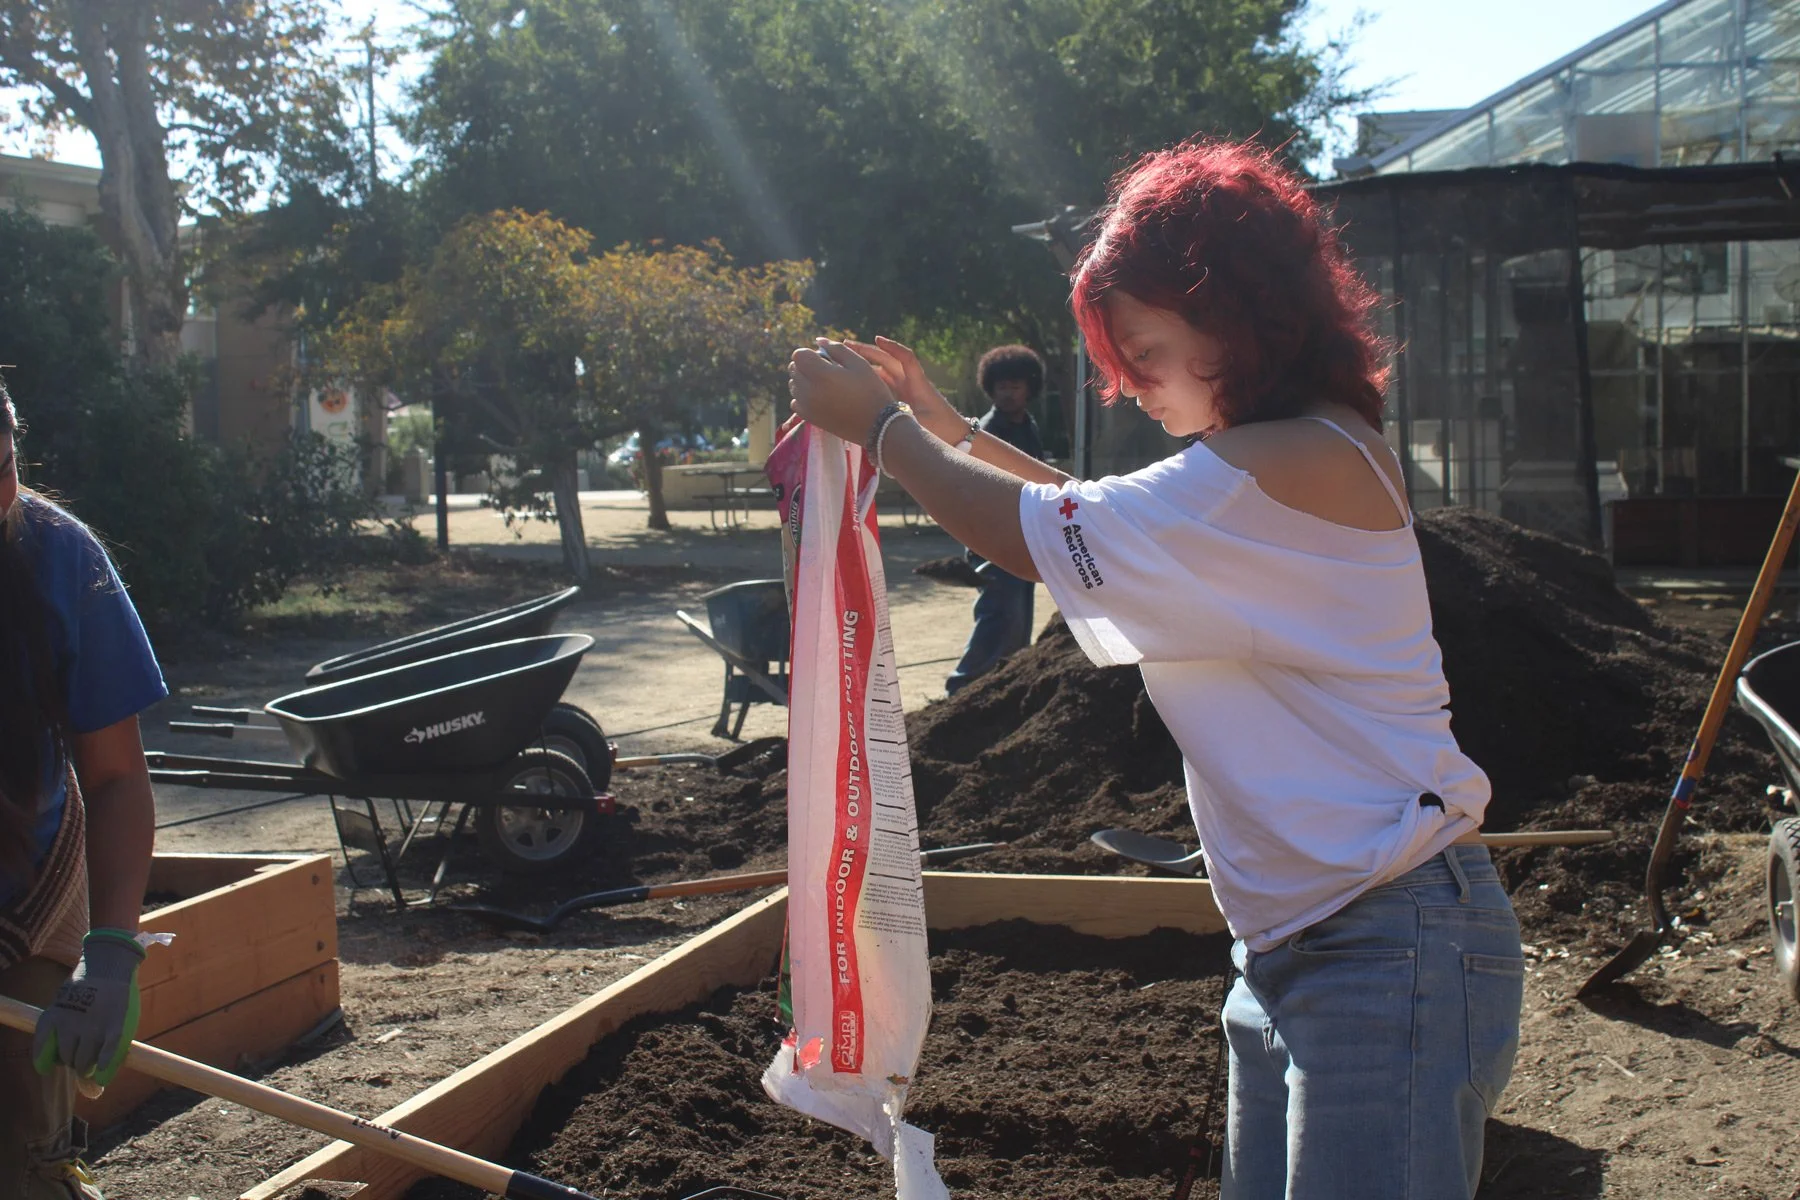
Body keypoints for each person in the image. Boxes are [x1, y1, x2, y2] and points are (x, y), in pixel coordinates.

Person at [790, 138, 1521, 1200]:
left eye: (1146, 354)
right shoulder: (1308, 448)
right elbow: (1101, 510)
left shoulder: (1272, 467)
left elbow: (1043, 532)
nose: (1131, 387)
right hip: (1317, 945)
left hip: (1383, 943)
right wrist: (950, 431)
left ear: (1233, 321)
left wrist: (889, 433)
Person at [0, 390, 166, 1200]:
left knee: (23, 1158)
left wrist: (110, 955)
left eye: (3, 468)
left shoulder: (60, 557)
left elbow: (115, 776)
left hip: (20, 901)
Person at [944, 344, 1048, 695]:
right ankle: (960, 692)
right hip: (992, 542)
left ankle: (1001, 697)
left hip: (1024, 537)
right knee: (998, 619)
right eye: (1001, 387)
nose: (1007, 393)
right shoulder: (985, 432)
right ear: (991, 388)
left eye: (1015, 386)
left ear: (1029, 388)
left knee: (1018, 629)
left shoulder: (1029, 427)